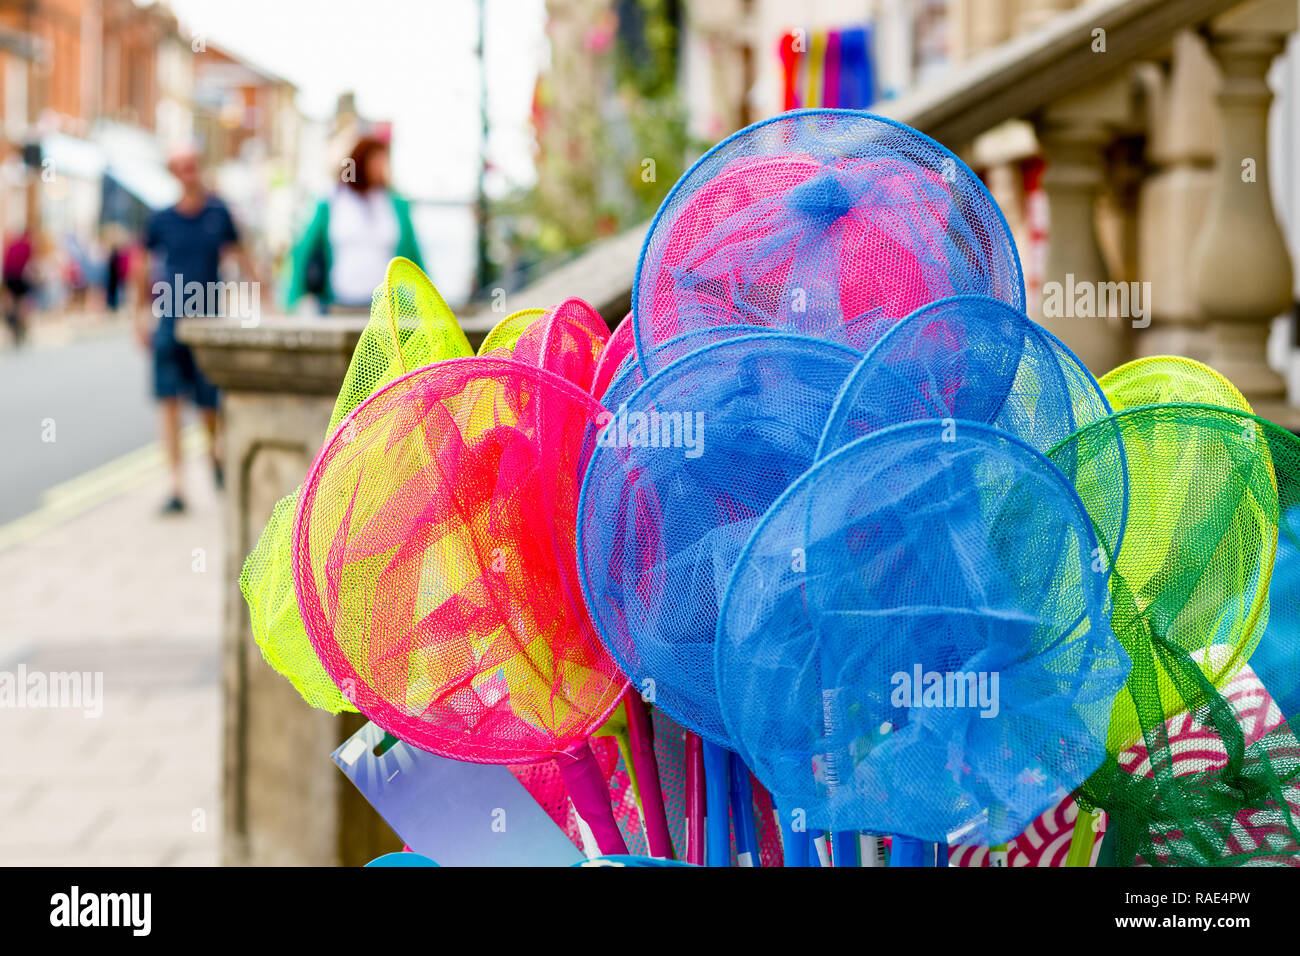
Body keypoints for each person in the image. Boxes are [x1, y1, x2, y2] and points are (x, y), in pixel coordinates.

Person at [135, 145, 256, 515]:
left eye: (192, 166)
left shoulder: (218, 214)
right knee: (168, 402)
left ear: (200, 168)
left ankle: (215, 454)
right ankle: (176, 486)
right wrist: (139, 315)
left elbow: (241, 257)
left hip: (208, 325)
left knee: (209, 404)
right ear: (174, 173)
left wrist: (265, 303)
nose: (188, 173)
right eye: (181, 168)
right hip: (170, 322)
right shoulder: (160, 219)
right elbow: (141, 268)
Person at [284, 136, 423, 313]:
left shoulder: (395, 203)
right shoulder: (332, 201)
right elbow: (304, 248)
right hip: (339, 300)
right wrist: (294, 296)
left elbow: (413, 254)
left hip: (387, 307)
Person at [3, 228, 35, 345]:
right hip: (19, 277)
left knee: (11, 299)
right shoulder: (28, 246)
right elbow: (30, 265)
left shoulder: (12, 244)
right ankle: (22, 326)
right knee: (23, 300)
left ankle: (10, 318)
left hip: (8, 277)